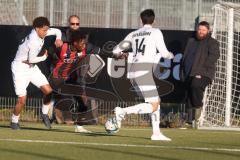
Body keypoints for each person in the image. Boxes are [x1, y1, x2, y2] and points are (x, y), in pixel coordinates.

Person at [112, 9, 174, 141]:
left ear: (141, 20)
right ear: (154, 20)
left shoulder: (133, 34)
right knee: (154, 104)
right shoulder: (155, 32)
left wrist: (123, 54)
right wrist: (171, 55)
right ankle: (122, 112)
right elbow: (164, 54)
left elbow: (116, 50)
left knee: (155, 101)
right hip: (144, 71)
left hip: (133, 72)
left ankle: (156, 133)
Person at [11, 16, 63, 130]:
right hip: (20, 68)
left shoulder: (42, 31)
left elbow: (57, 31)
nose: (46, 32)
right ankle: (14, 121)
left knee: (49, 92)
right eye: (44, 30)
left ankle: (44, 114)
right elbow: (31, 59)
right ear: (36, 29)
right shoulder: (33, 40)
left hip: (31, 68)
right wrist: (44, 57)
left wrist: (58, 38)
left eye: (46, 29)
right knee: (22, 100)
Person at [50, 30, 103, 133]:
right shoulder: (63, 47)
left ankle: (79, 127)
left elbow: (103, 52)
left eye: (85, 43)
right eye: (82, 43)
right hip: (57, 79)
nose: (84, 45)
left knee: (83, 101)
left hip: (70, 79)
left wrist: (117, 55)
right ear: (74, 43)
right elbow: (48, 51)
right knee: (56, 97)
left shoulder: (86, 48)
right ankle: (48, 107)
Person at [180, 21, 220, 128]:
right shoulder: (191, 40)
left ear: (208, 31)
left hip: (204, 73)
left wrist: (200, 72)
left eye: (203, 30)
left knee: (196, 85)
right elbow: (185, 56)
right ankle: (189, 121)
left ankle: (198, 114)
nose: (201, 32)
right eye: (199, 29)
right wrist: (183, 70)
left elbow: (213, 58)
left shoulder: (213, 42)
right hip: (188, 73)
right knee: (188, 95)